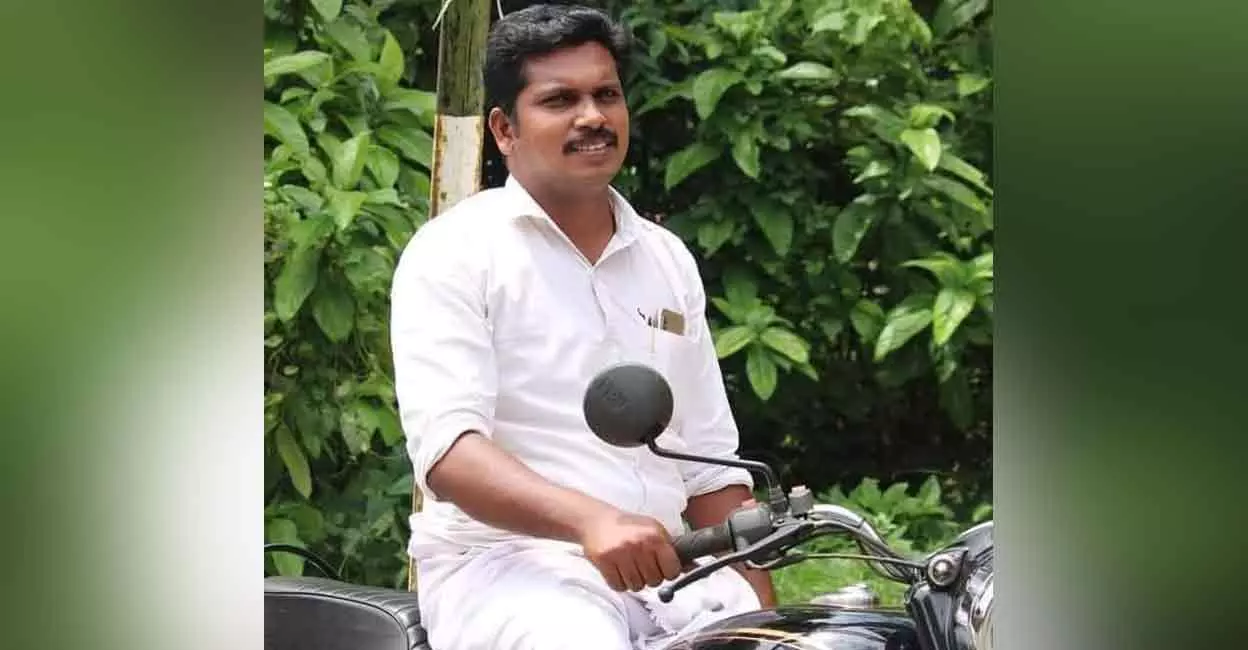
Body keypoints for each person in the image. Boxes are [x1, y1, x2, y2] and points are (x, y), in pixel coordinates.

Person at [389, 5, 775, 649]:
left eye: (606, 95)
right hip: (508, 572)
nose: (592, 116)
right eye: (560, 100)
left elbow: (709, 466)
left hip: (668, 570)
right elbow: (449, 454)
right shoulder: (455, 251)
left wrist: (764, 612)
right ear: (505, 129)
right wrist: (592, 522)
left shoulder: (665, 258)